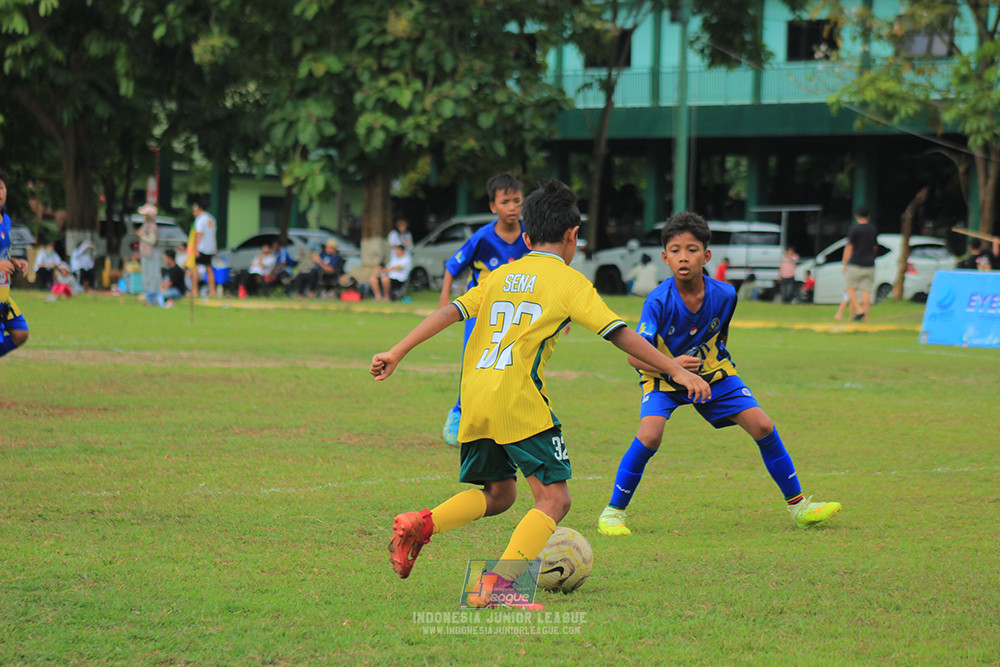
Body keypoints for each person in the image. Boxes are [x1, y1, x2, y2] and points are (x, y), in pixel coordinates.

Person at [371, 180, 710, 608]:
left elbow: (450, 311)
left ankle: (421, 524)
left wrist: (397, 350)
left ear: (527, 236)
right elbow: (620, 334)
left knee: (500, 495)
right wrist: (676, 369)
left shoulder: (500, 274)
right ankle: (495, 586)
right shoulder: (569, 283)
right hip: (518, 400)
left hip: (476, 394)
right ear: (572, 236)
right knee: (555, 498)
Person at [596, 211, 841, 537]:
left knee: (763, 425)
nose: (684, 257)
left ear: (707, 255)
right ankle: (613, 513)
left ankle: (799, 507)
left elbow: (719, 336)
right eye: (675, 250)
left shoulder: (725, 294)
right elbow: (633, 357)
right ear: (664, 257)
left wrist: (711, 365)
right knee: (650, 434)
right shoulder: (657, 301)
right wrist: (674, 366)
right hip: (662, 375)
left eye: (692, 249)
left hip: (713, 373)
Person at [439, 172, 530, 446]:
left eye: (517, 201)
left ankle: (506, 419)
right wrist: (445, 303)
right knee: (474, 365)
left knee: (513, 365)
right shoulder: (482, 237)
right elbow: (452, 267)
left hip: (515, 314)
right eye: (505, 201)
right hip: (478, 313)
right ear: (493, 206)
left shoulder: (530, 236)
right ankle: (458, 414)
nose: (512, 207)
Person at [0, 169, 30, 361]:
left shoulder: (6, 220)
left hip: (3, 292)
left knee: (20, 333)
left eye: (1, 187)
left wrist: (14, 262)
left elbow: (3, 253)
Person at [843, 206, 878, 322]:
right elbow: (875, 247)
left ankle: (859, 310)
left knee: (850, 288)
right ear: (869, 216)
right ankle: (865, 317)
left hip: (855, 263)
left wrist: (844, 263)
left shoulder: (854, 229)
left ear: (857, 216)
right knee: (866, 291)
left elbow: (849, 247)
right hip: (869, 264)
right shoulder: (872, 229)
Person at [191, 198, 218, 298]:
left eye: (195, 210)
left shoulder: (200, 219)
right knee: (209, 268)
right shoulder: (211, 218)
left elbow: (199, 234)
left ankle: (194, 291)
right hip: (211, 247)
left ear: (199, 209)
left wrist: (195, 248)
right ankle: (212, 291)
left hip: (202, 247)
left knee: (195, 267)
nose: (194, 212)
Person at [137, 203, 162, 307]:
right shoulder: (146, 225)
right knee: (146, 274)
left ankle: (152, 297)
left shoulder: (151, 226)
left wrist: (141, 235)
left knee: (152, 275)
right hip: (146, 253)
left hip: (152, 253)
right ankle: (148, 297)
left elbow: (152, 240)